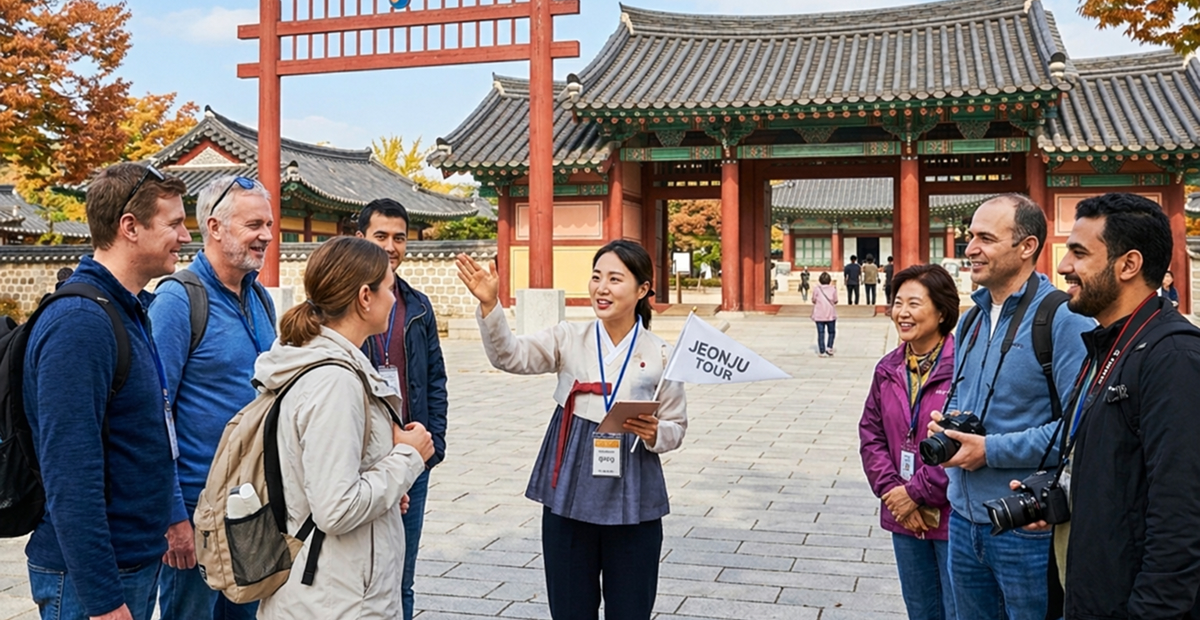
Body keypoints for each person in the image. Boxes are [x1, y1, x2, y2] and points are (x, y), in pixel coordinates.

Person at [455, 240, 687, 620]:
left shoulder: (662, 354)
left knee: (631, 607)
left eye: (615, 279)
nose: (602, 288)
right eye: (596, 278)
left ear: (643, 289)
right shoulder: (568, 337)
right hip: (571, 482)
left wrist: (654, 433)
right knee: (569, 608)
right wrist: (489, 306)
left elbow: (677, 426)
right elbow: (508, 356)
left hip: (634, 488)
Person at [23, 163, 191, 620]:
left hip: (132, 561)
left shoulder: (126, 309)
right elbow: (70, 474)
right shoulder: (80, 323)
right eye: (174, 224)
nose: (185, 237)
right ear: (130, 227)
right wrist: (103, 600)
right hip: (90, 582)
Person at [927, 194, 1093, 620]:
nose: (970, 249)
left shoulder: (1063, 318)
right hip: (963, 520)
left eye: (986, 238)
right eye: (970, 237)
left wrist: (990, 450)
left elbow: (1080, 427)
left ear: (1027, 247)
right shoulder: (971, 319)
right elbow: (964, 401)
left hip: (1026, 526)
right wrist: (948, 429)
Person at [255, 236, 433, 619]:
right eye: (388, 287)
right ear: (364, 297)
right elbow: (335, 508)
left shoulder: (319, 361)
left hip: (330, 584)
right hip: (337, 595)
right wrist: (407, 457)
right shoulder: (334, 381)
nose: (394, 297)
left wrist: (385, 487)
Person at [1051, 193, 1200, 618]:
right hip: (1091, 593)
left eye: (1079, 254)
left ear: (1128, 265)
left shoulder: (1173, 359)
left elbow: (1182, 517)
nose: (1064, 267)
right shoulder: (1109, 343)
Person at [151, 176, 276, 620]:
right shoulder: (179, 300)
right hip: (194, 507)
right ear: (214, 227)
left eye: (269, 224)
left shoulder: (259, 296)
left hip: (251, 503)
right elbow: (153, 412)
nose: (266, 235)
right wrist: (171, 517)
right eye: (254, 224)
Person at [355, 198, 449, 620]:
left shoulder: (418, 306)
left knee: (401, 576)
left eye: (399, 238)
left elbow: (435, 381)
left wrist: (435, 445)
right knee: (357, 576)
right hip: (359, 462)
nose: (391, 246)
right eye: (381, 236)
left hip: (412, 457)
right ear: (360, 239)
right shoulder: (340, 303)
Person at [860, 264, 960, 620]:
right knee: (920, 609)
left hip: (950, 515)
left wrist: (916, 493)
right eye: (897, 302)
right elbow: (870, 434)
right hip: (902, 511)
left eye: (914, 304)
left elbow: (962, 439)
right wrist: (894, 493)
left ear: (942, 311)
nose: (902, 312)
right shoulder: (887, 368)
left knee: (957, 609)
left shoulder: (964, 366)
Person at [812, 272, 838, 357]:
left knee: (821, 333)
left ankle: (822, 350)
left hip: (819, 314)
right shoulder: (833, 289)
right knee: (831, 332)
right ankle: (829, 347)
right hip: (830, 313)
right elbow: (835, 300)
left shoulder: (817, 289)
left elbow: (813, 299)